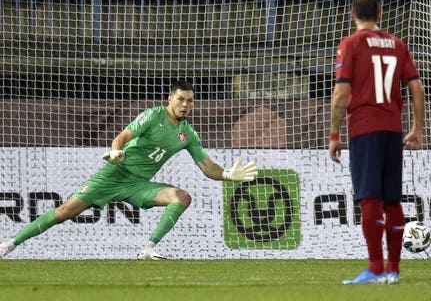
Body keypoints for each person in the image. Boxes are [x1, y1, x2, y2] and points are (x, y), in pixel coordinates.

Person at [0, 80, 258, 260]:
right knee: (64, 212)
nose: (185, 104)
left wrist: (225, 174)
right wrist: (115, 152)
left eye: (190, 101)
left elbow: (207, 166)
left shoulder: (187, 133)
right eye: (180, 99)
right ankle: (8, 245)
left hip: (138, 185)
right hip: (113, 175)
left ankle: (147, 249)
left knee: (182, 197)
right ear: (170, 99)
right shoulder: (153, 116)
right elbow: (123, 136)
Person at [329, 0, 425, 284]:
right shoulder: (397, 44)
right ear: (380, 14)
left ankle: (374, 267)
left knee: (369, 198)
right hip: (393, 129)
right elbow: (417, 88)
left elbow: (342, 94)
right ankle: (393, 269)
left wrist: (334, 133)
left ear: (352, 15)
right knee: (392, 200)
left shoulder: (351, 44)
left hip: (365, 129)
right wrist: (417, 128)